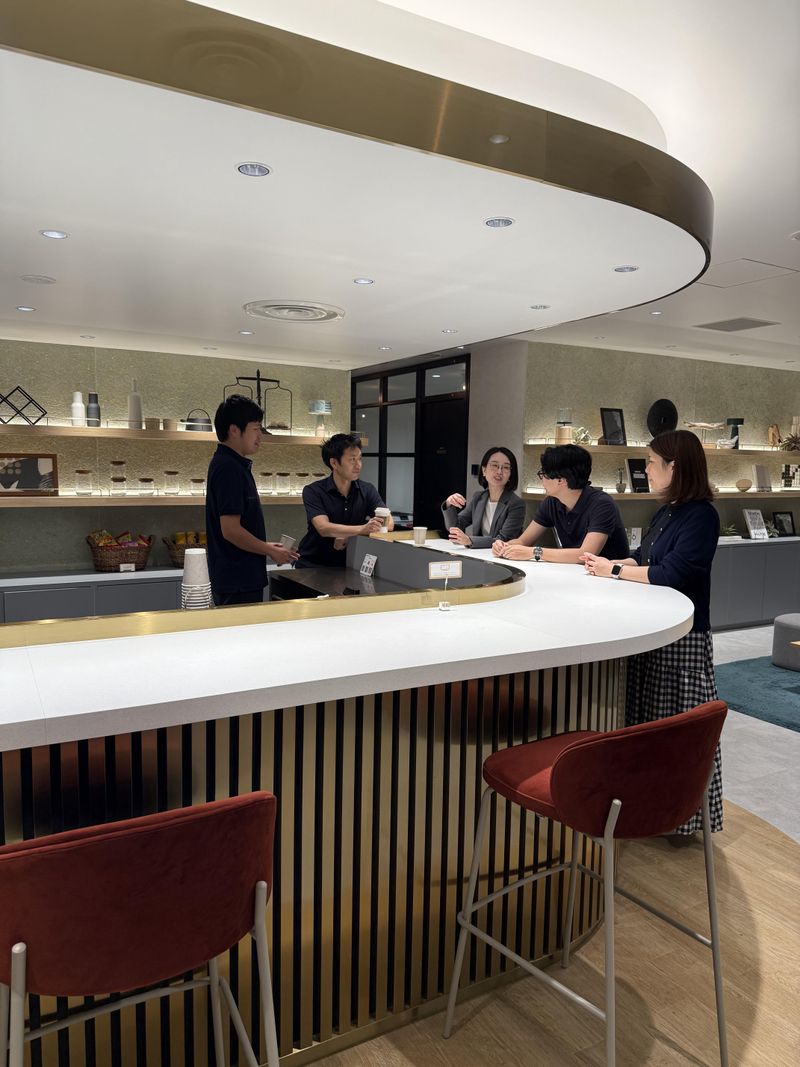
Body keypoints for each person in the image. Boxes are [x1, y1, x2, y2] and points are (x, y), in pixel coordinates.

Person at [581, 429, 722, 837]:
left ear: (674, 467)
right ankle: (645, 811)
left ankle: (679, 819)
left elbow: (671, 573)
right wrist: (610, 564)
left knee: (677, 730)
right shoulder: (667, 511)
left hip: (684, 638)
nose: (646, 469)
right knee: (650, 723)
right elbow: (645, 557)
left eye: (652, 462)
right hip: (656, 631)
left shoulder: (702, 516)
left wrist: (615, 570)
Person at [205, 394, 299, 606]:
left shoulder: (233, 464)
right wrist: (270, 550)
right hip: (237, 580)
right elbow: (230, 530)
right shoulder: (229, 468)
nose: (260, 436)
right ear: (234, 430)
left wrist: (266, 546)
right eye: (256, 429)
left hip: (239, 578)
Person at [492, 444, 628, 563]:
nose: (541, 479)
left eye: (543, 474)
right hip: (575, 573)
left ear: (560, 480)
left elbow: (585, 554)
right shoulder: (551, 502)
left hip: (610, 577)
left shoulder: (602, 504)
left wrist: (535, 552)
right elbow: (524, 541)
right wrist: (504, 546)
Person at [296, 433, 393, 568]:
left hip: (351, 563)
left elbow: (389, 523)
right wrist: (362, 529)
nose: (358, 465)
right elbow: (324, 528)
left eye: (360, 459)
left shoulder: (367, 489)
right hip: (313, 564)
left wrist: (349, 536)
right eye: (352, 460)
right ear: (334, 463)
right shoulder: (313, 491)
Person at [442, 447, 525, 548]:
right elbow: (455, 527)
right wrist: (449, 504)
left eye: (506, 467)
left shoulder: (516, 503)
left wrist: (470, 540)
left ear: (511, 474)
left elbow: (503, 539)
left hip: (503, 555)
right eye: (495, 465)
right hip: (479, 554)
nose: (499, 471)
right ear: (484, 470)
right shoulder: (478, 497)